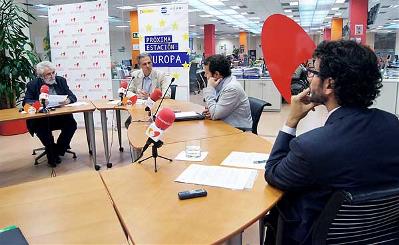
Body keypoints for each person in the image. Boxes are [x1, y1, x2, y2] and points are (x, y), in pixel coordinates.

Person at [264, 40, 399, 244]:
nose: (309, 78)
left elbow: (274, 173)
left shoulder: (312, 147)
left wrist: (291, 121)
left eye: (313, 72)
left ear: (329, 84)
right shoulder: (393, 124)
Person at [23, 61, 77, 167]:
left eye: (53, 72)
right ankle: (52, 153)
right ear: (41, 76)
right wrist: (39, 103)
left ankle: (57, 150)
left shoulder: (61, 81)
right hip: (42, 118)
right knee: (42, 129)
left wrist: (68, 101)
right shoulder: (33, 84)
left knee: (71, 125)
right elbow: (26, 103)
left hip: (60, 116)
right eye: (48, 74)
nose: (52, 76)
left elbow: (72, 96)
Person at [202, 54, 252, 131]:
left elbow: (215, 114)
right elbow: (213, 110)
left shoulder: (232, 88)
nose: (205, 75)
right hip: (224, 126)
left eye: (207, 73)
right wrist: (212, 110)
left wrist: (210, 88)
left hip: (238, 131)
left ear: (216, 74)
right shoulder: (221, 83)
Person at [125, 53, 170, 128]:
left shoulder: (161, 75)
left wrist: (150, 96)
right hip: (139, 109)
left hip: (156, 109)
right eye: (144, 64)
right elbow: (127, 92)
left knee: (151, 125)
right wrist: (137, 96)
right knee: (130, 124)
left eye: (149, 63)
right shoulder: (135, 75)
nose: (148, 66)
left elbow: (167, 94)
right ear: (140, 66)